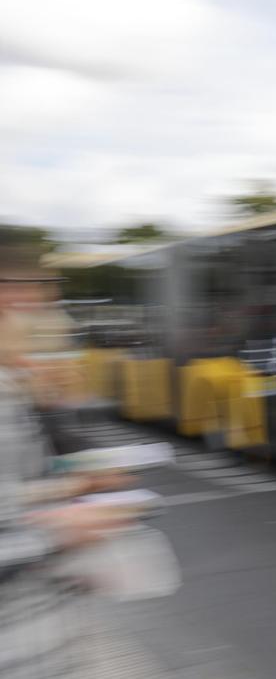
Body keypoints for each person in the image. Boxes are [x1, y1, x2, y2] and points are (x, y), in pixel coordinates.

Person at [1, 239, 135, 678]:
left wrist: (75, 486)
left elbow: (11, 495)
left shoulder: (11, 389)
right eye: (28, 312)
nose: (41, 325)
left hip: (41, 642)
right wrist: (60, 530)